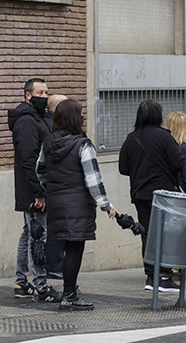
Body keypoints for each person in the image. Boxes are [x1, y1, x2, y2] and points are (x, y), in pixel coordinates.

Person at [37, 99, 117, 311]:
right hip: (78, 204)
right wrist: (106, 205)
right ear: (74, 118)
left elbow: (40, 171)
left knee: (66, 247)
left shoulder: (49, 142)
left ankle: (68, 294)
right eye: (81, 114)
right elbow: (93, 180)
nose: (83, 117)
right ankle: (69, 296)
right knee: (74, 249)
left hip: (57, 202)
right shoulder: (83, 144)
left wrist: (52, 189)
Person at [118, 100, 184, 293]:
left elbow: (123, 168)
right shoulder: (165, 137)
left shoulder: (131, 138)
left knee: (147, 233)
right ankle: (164, 275)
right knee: (165, 234)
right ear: (158, 116)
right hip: (164, 194)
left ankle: (150, 275)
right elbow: (179, 163)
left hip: (141, 194)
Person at [8, 78, 59, 303]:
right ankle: (40, 287)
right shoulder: (27, 121)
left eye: (47, 92)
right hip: (33, 189)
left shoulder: (33, 118)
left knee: (29, 233)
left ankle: (21, 282)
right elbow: (29, 160)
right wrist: (38, 192)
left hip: (32, 187)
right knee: (39, 235)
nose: (45, 96)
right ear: (28, 95)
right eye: (40, 92)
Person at [42, 95, 68, 279]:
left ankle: (54, 264)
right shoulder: (52, 130)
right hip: (58, 190)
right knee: (54, 230)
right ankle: (54, 265)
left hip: (54, 188)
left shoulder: (49, 127)